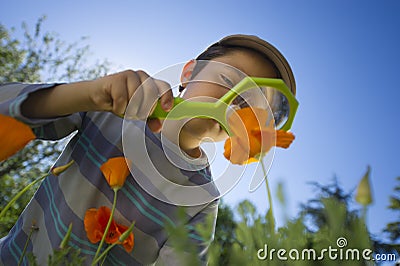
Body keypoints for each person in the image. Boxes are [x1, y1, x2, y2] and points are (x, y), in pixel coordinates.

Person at [0, 34, 296, 265]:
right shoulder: (113, 112)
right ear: (189, 73)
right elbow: (7, 106)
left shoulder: (202, 201)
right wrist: (87, 95)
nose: (233, 102)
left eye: (250, 105)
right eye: (227, 80)